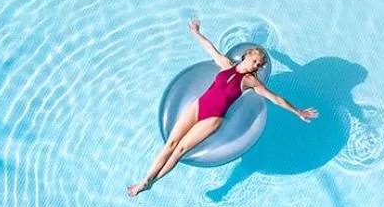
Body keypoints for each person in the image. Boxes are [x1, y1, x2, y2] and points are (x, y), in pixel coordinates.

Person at [129, 19, 317, 197]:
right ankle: (146, 179)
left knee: (179, 151)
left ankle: (149, 182)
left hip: (214, 118)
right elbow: (210, 48)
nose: (256, 66)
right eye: (254, 61)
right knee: (170, 144)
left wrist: (297, 111)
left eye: (259, 65)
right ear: (246, 56)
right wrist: (196, 32)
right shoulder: (226, 64)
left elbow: (275, 98)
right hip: (199, 105)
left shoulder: (251, 81)